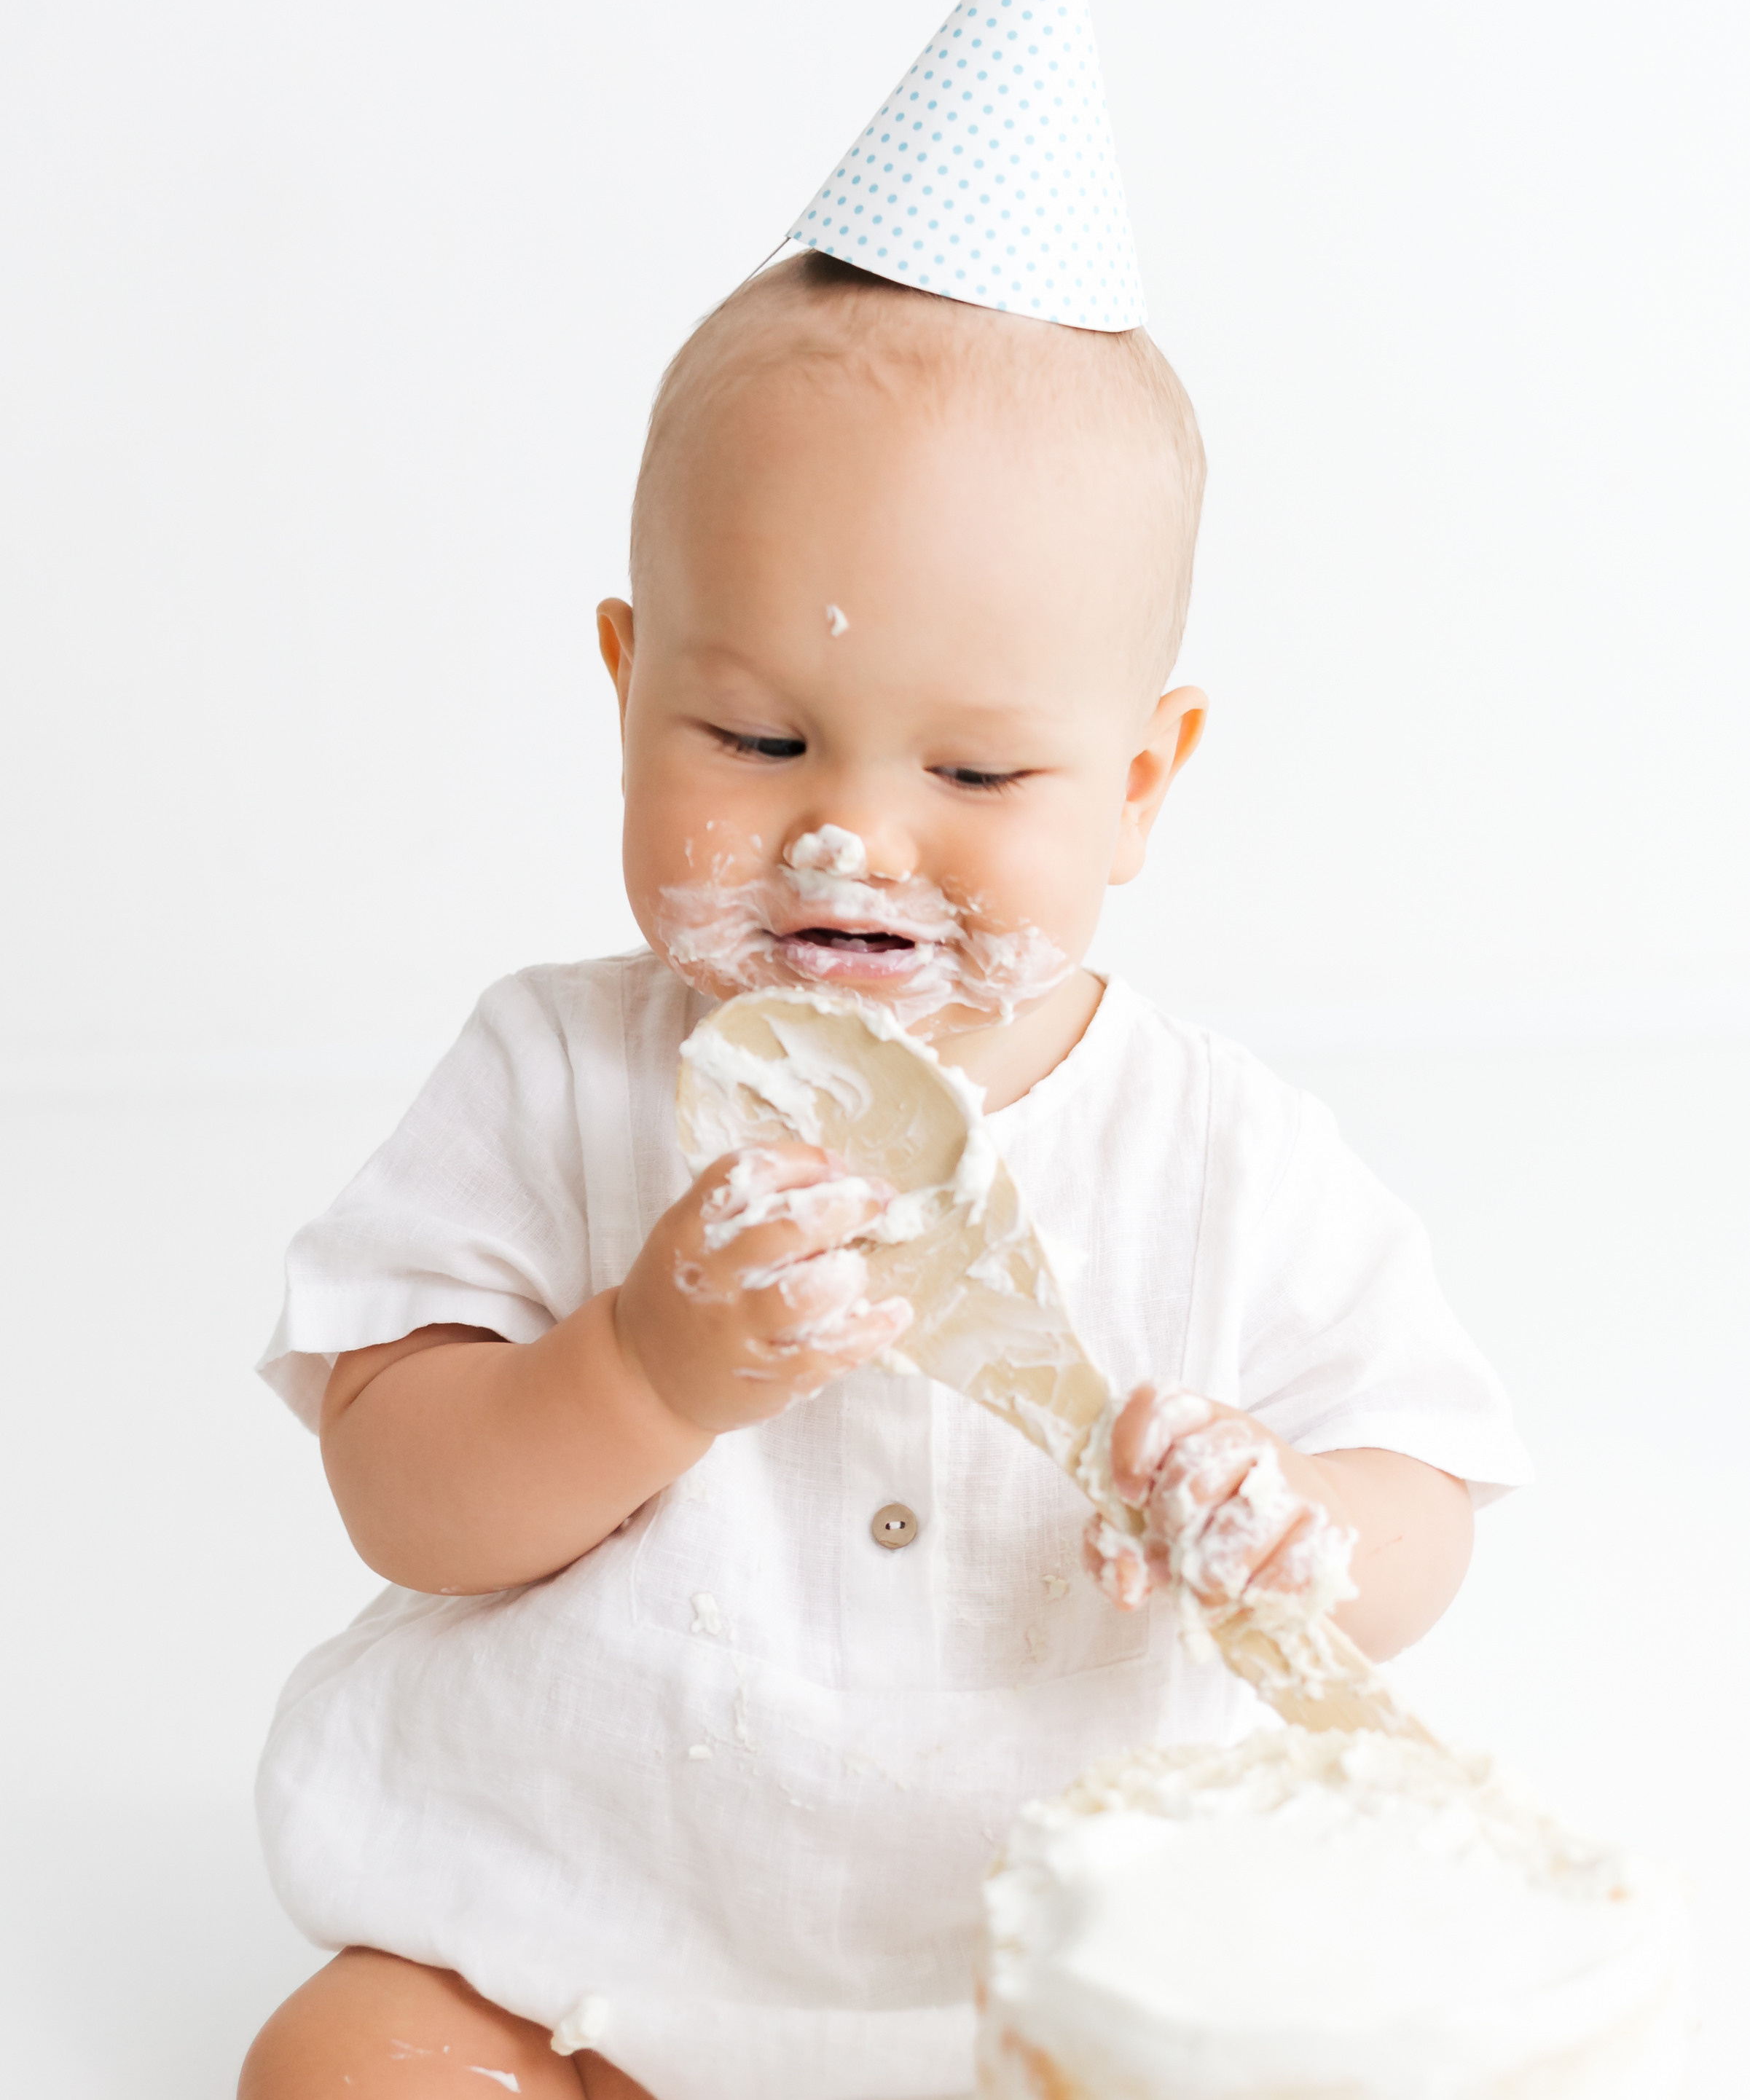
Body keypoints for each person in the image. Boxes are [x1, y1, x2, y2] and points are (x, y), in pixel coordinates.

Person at [240, 253, 1528, 2100]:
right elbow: (398, 1488)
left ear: (1143, 780)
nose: (851, 833)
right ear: (625, 689)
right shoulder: (553, 1077)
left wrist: (1299, 1518)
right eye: (755, 741)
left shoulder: (1219, 1152)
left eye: (983, 769)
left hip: (1064, 1963)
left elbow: (1430, 1496)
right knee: (349, 2065)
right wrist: (634, 1374)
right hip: (583, 1908)